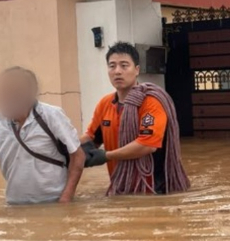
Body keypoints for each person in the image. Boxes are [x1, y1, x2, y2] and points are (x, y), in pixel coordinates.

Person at [0, 67, 85, 204]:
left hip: (53, 201)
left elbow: (78, 156)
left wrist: (66, 198)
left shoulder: (52, 116)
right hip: (15, 204)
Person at [81, 42, 190, 195]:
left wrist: (106, 156)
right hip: (121, 186)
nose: (117, 71)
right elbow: (91, 138)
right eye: (112, 66)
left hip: (153, 190)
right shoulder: (105, 104)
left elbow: (147, 145)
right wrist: (67, 147)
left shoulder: (151, 102)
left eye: (124, 65)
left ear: (137, 70)